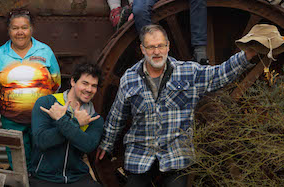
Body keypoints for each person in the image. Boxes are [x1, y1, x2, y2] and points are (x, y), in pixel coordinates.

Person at [97, 24, 257, 187]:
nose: (157, 52)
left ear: (168, 46)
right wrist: (107, 143)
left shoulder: (187, 72)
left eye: (160, 46)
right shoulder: (129, 78)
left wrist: (246, 56)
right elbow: (117, 116)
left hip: (175, 155)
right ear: (142, 49)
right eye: (151, 47)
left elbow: (219, 74)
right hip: (140, 155)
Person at [0, 10, 61, 169]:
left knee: (41, 163)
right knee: (18, 164)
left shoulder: (45, 51)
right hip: (11, 119)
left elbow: (56, 83)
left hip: (41, 119)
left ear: (31, 29)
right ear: (9, 31)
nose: (20, 32)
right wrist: (9, 105)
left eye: (24, 27)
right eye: (15, 28)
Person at [29, 62, 104, 187]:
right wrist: (76, 123)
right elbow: (42, 140)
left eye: (94, 86)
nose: (89, 89)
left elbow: (88, 146)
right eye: (85, 83)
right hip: (44, 177)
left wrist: (62, 121)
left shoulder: (94, 118)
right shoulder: (47, 103)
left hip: (77, 178)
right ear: (73, 81)